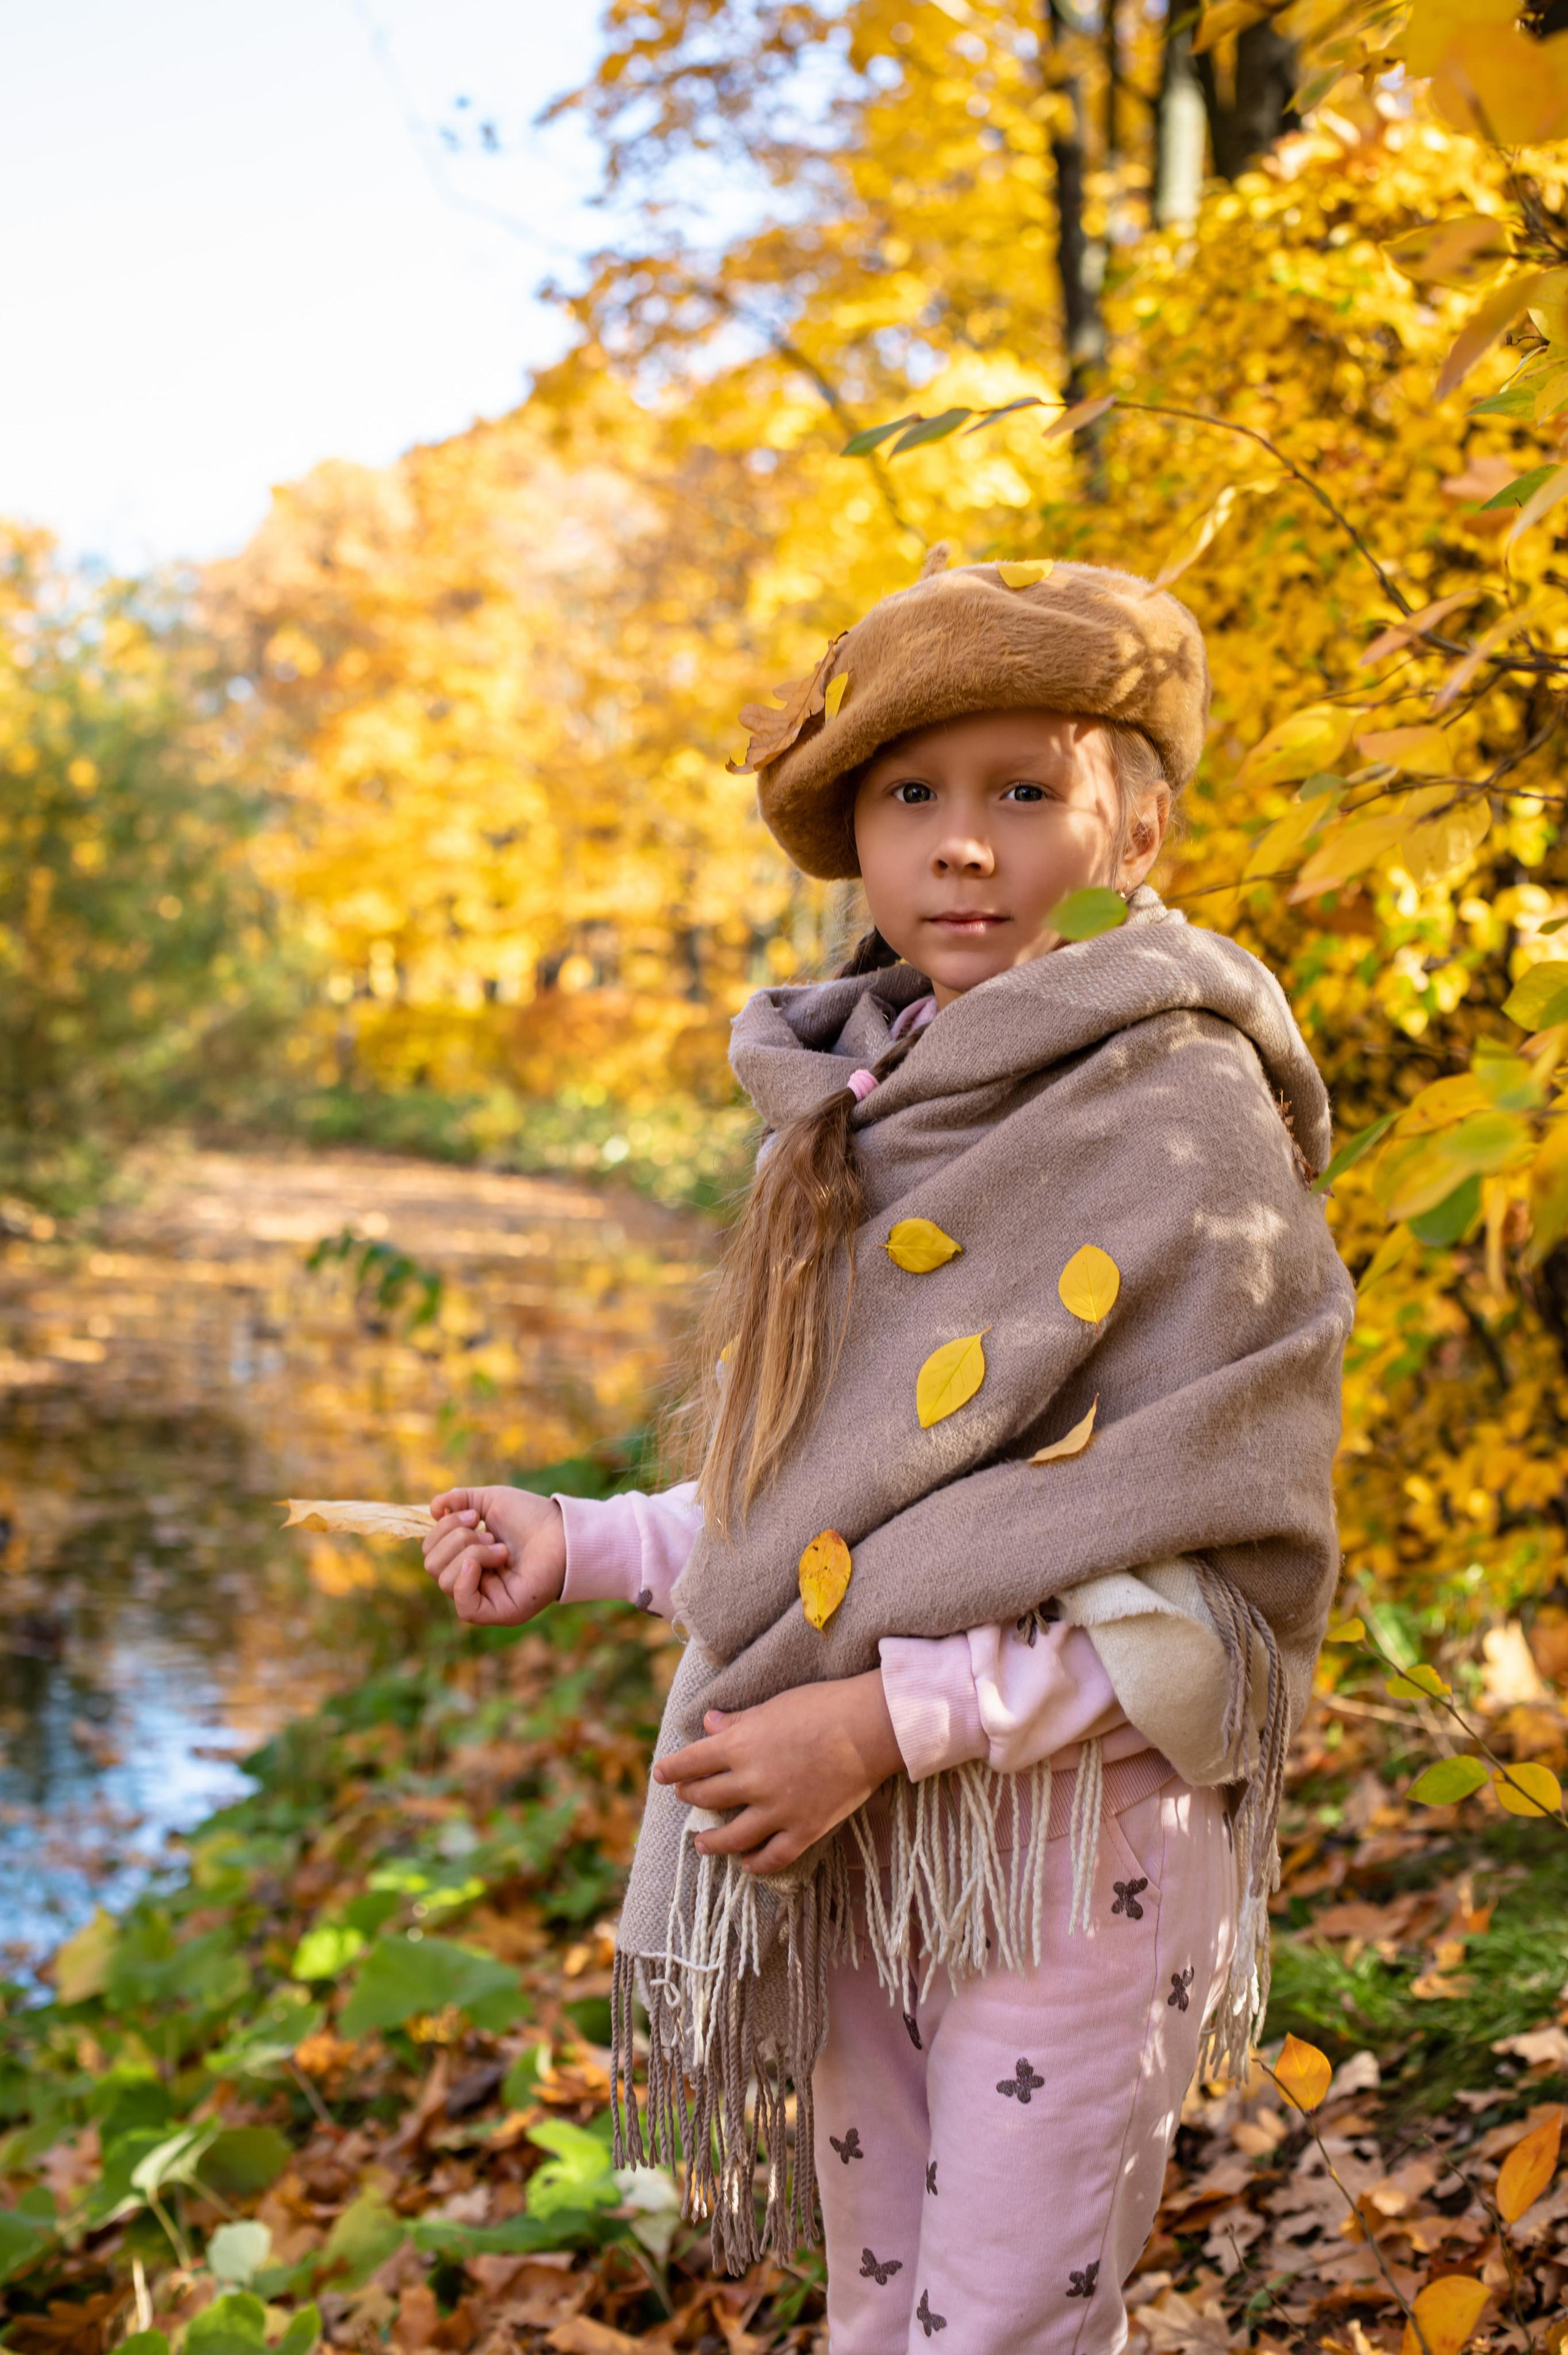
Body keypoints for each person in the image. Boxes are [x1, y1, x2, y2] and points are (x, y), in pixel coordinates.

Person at [421, 552, 1355, 2353]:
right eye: (913, 794)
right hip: (861, 1855)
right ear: (855, 837)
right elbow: (840, 1503)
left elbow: (1205, 1579)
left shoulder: (1181, 1118)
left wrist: (880, 1723)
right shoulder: (846, 1127)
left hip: (1073, 1848)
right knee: (878, 2300)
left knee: (997, 2320)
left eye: (1027, 789)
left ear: (1139, 827)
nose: (966, 844)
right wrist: (588, 1538)